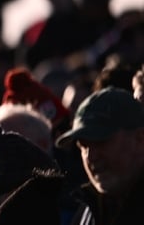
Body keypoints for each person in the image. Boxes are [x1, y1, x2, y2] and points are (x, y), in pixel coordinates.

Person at [55, 87, 144, 224]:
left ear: (140, 139)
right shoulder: (88, 209)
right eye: (83, 146)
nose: (91, 157)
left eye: (100, 142)